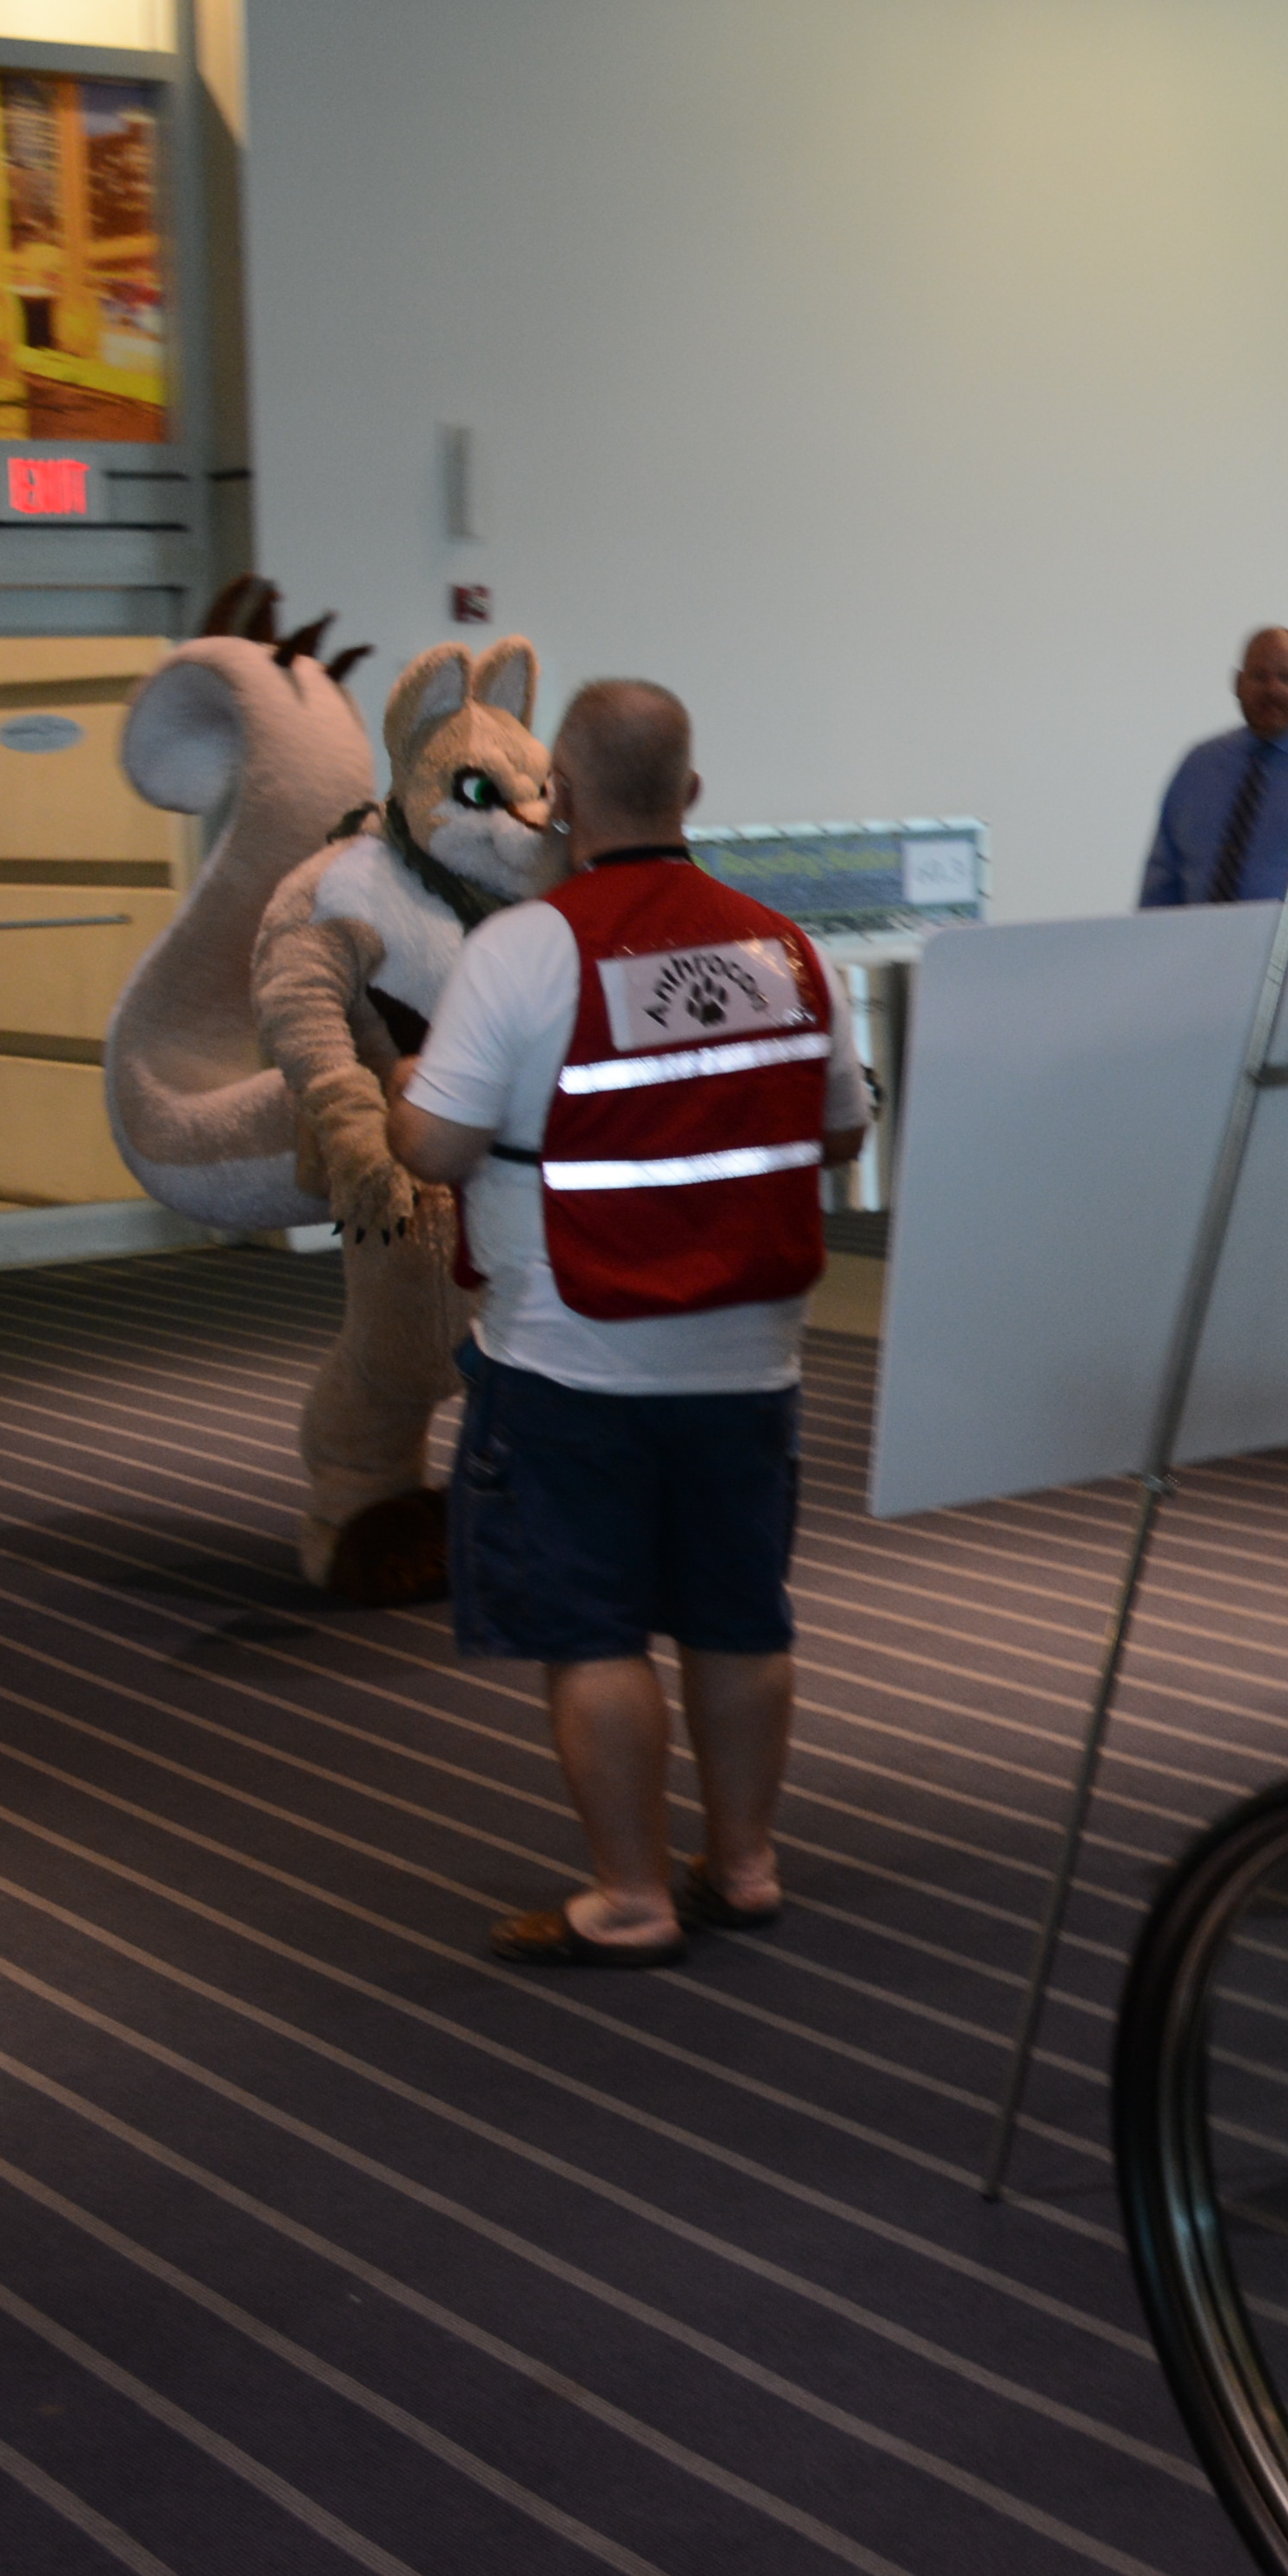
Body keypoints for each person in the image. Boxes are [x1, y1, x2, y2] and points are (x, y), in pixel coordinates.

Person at [396, 678, 873, 1969]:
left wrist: (406, 1087)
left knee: (593, 1630)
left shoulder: (525, 950)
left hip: (571, 1352)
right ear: (693, 793)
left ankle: (630, 1896)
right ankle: (746, 1865)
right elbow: (841, 1131)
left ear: (560, 799)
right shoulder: (788, 950)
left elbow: (433, 1145)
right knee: (739, 1613)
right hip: (751, 1355)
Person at [1138, 627, 1288, 907]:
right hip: (1199, 935)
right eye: (1260, 677)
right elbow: (1162, 883)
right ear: (1238, 683)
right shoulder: (1197, 769)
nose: (1272, 690)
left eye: (1287, 678)